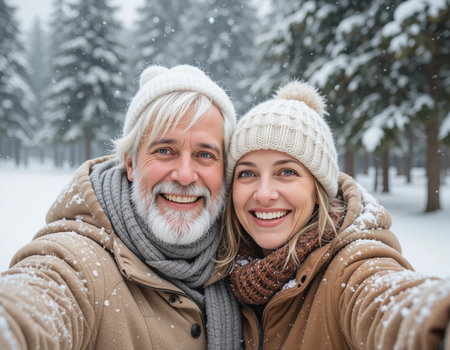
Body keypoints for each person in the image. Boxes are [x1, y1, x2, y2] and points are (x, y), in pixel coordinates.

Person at [0, 65, 242, 349]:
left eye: (205, 154)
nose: (185, 175)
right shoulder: (82, 261)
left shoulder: (243, 262)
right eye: (165, 151)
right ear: (130, 163)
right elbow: (33, 305)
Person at [220, 80, 450, 349]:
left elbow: (387, 302)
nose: (264, 193)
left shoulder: (348, 267)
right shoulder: (221, 271)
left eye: (287, 172)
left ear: (318, 189)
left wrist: (436, 320)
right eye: (247, 173)